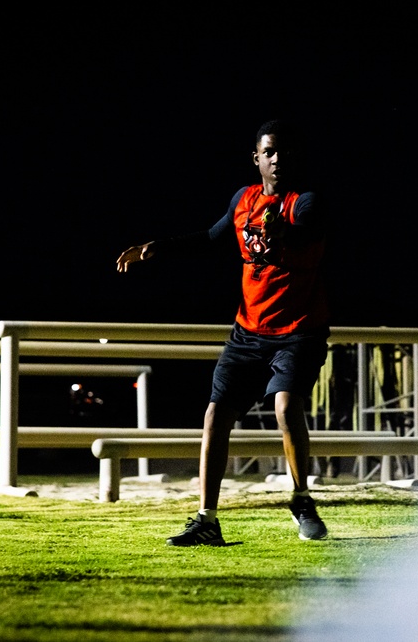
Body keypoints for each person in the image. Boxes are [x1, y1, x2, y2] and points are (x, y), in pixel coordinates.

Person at [116, 119, 330, 545]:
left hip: (298, 331)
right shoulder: (244, 200)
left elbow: (306, 237)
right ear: (256, 159)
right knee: (215, 416)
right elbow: (213, 237)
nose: (277, 159)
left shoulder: (305, 202)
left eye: (284, 152)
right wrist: (158, 247)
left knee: (286, 407)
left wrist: (281, 231)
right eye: (269, 152)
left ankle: (302, 499)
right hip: (248, 333)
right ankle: (207, 519)